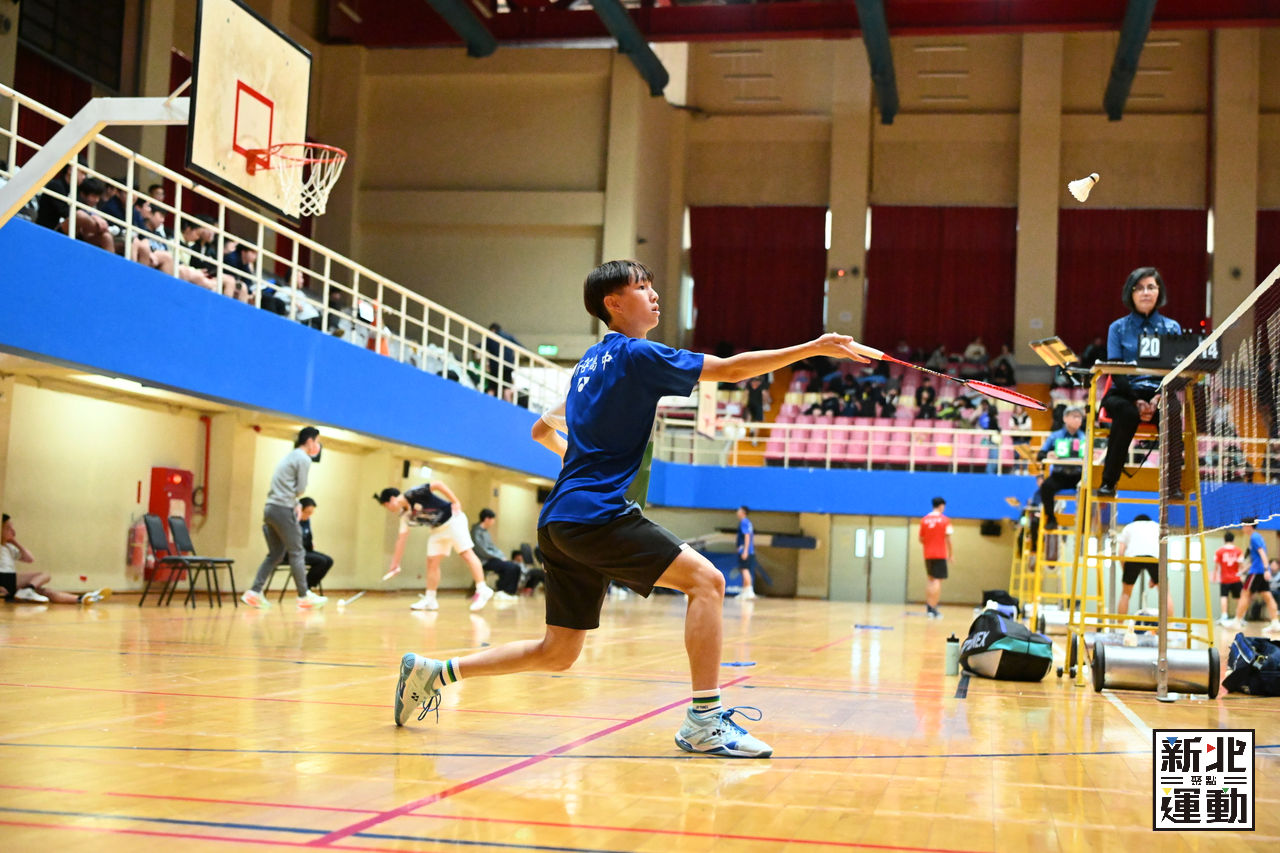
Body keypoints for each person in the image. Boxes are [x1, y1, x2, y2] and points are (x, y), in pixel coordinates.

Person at [391, 258, 871, 758]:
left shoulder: (587, 366)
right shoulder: (636, 354)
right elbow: (730, 370)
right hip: (595, 514)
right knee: (707, 582)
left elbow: (540, 430)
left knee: (558, 651)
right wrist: (813, 347)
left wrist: (585, 466)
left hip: (560, 519)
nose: (654, 295)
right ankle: (704, 722)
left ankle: (434, 672)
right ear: (614, 304)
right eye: (642, 288)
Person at [1098, 267, 1182, 497]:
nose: (1146, 292)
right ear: (1131, 293)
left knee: (1173, 411)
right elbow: (1115, 371)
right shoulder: (1117, 328)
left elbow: (1177, 371)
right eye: (1140, 288)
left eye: (1151, 287)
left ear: (1159, 291)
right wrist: (1136, 400)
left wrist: (1158, 397)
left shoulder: (1172, 328)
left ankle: (1173, 485)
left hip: (1160, 393)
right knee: (1126, 413)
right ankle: (1108, 483)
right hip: (1125, 393)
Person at [242, 427, 328, 610]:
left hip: (270, 508)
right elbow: (301, 488)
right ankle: (303, 596)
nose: (318, 445)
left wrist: (296, 502)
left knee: (276, 554)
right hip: (283, 508)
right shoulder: (304, 458)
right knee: (297, 551)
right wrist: (295, 501)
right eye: (317, 441)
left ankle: (254, 592)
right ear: (310, 441)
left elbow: (284, 486)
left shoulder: (289, 456)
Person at [376, 481, 493, 612]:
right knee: (432, 562)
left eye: (386, 505)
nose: (389, 509)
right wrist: (395, 563)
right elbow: (401, 539)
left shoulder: (413, 493)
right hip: (437, 529)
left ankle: (482, 589)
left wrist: (455, 501)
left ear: (392, 499)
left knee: (466, 553)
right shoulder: (405, 516)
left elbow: (438, 484)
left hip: (453, 520)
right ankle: (430, 600)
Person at [1, 514, 111, 605]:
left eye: (12, 528)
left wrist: (14, 542)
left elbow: (30, 559)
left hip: (12, 583)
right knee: (44, 574)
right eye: (8, 528)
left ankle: (82, 598)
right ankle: (28, 590)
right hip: (3, 578)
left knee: (46, 592)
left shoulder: (10, 548)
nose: (13, 531)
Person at [1115, 514, 1174, 619]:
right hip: (1155, 558)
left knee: (1125, 594)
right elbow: (1164, 551)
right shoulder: (1156, 526)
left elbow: (1120, 552)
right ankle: (1170, 625)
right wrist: (1155, 577)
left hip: (1133, 558)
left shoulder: (1129, 527)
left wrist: (1125, 570)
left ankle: (1119, 625)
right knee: (1165, 594)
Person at [1035, 406, 1086, 530]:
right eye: (1074, 416)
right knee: (1046, 487)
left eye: (1079, 417)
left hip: (1078, 477)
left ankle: (1084, 522)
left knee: (1089, 489)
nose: (1077, 420)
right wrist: (1048, 454)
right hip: (1059, 476)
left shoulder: (1085, 437)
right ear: (1065, 418)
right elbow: (1040, 455)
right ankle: (1051, 519)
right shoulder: (1055, 436)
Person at [1228, 520, 1280, 632]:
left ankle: (1237, 621)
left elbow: (1262, 554)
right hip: (1259, 570)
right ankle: (1275, 623)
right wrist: (1243, 571)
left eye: (1243, 525)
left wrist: (1266, 569)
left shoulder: (1254, 537)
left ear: (1249, 526)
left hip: (1257, 572)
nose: (1242, 527)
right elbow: (1254, 559)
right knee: (1267, 596)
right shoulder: (1256, 537)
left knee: (1244, 594)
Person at [470, 509, 523, 599]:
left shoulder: (485, 531)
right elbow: (482, 551)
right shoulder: (476, 532)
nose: (493, 522)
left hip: (492, 559)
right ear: (487, 519)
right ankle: (503, 591)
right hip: (485, 561)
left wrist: (501, 556)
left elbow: (492, 547)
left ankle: (510, 593)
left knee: (516, 567)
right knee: (509, 567)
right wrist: (498, 557)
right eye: (493, 519)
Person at [919, 497, 952, 619]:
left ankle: (929, 607)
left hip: (927, 554)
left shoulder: (924, 520)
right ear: (941, 506)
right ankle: (934, 608)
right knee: (937, 581)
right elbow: (948, 539)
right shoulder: (945, 520)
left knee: (930, 579)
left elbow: (921, 539)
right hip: (940, 554)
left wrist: (929, 545)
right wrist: (951, 554)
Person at [297, 497, 333, 591]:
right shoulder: (293, 521)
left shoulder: (307, 520)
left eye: (311, 513)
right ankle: (305, 589)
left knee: (329, 560)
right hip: (295, 552)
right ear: (299, 510)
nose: (309, 515)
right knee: (321, 561)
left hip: (306, 550)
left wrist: (310, 542)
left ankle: (308, 587)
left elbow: (308, 535)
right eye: (307, 512)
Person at [1213, 531, 1244, 626]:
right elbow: (1241, 565)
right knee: (1239, 598)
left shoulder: (1219, 551)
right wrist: (1242, 575)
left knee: (1224, 597)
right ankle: (1240, 617)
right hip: (1236, 578)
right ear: (1233, 540)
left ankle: (1224, 616)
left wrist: (1215, 575)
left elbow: (1216, 565)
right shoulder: (1239, 551)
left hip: (1224, 578)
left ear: (1224, 539)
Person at [736, 505, 758, 600]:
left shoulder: (744, 522)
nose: (737, 512)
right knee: (744, 570)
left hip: (746, 551)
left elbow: (747, 536)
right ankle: (745, 592)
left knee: (745, 570)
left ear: (743, 512)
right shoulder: (747, 522)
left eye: (739, 510)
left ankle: (749, 591)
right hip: (749, 550)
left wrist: (745, 551)